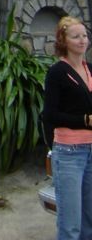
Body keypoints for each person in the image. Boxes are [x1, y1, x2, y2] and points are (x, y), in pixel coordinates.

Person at [43, 15, 92, 240]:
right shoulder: (57, 73)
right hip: (69, 153)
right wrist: (84, 121)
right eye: (76, 36)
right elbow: (50, 115)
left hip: (91, 150)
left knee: (89, 223)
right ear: (63, 41)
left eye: (84, 35)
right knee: (70, 225)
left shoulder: (90, 69)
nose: (82, 40)